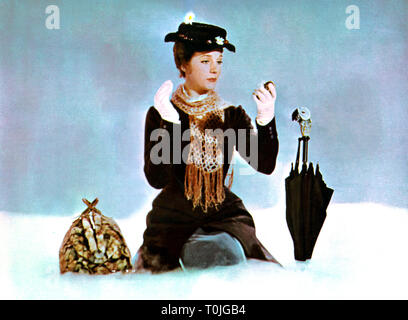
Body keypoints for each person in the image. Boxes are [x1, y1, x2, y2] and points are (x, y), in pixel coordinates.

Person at [135, 18, 280, 273]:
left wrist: (266, 118)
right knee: (162, 269)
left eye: (219, 61)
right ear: (183, 64)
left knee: (236, 259)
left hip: (221, 213)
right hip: (174, 214)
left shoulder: (231, 115)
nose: (215, 69)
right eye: (205, 61)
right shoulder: (162, 113)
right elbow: (156, 179)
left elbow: (264, 164)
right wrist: (169, 123)